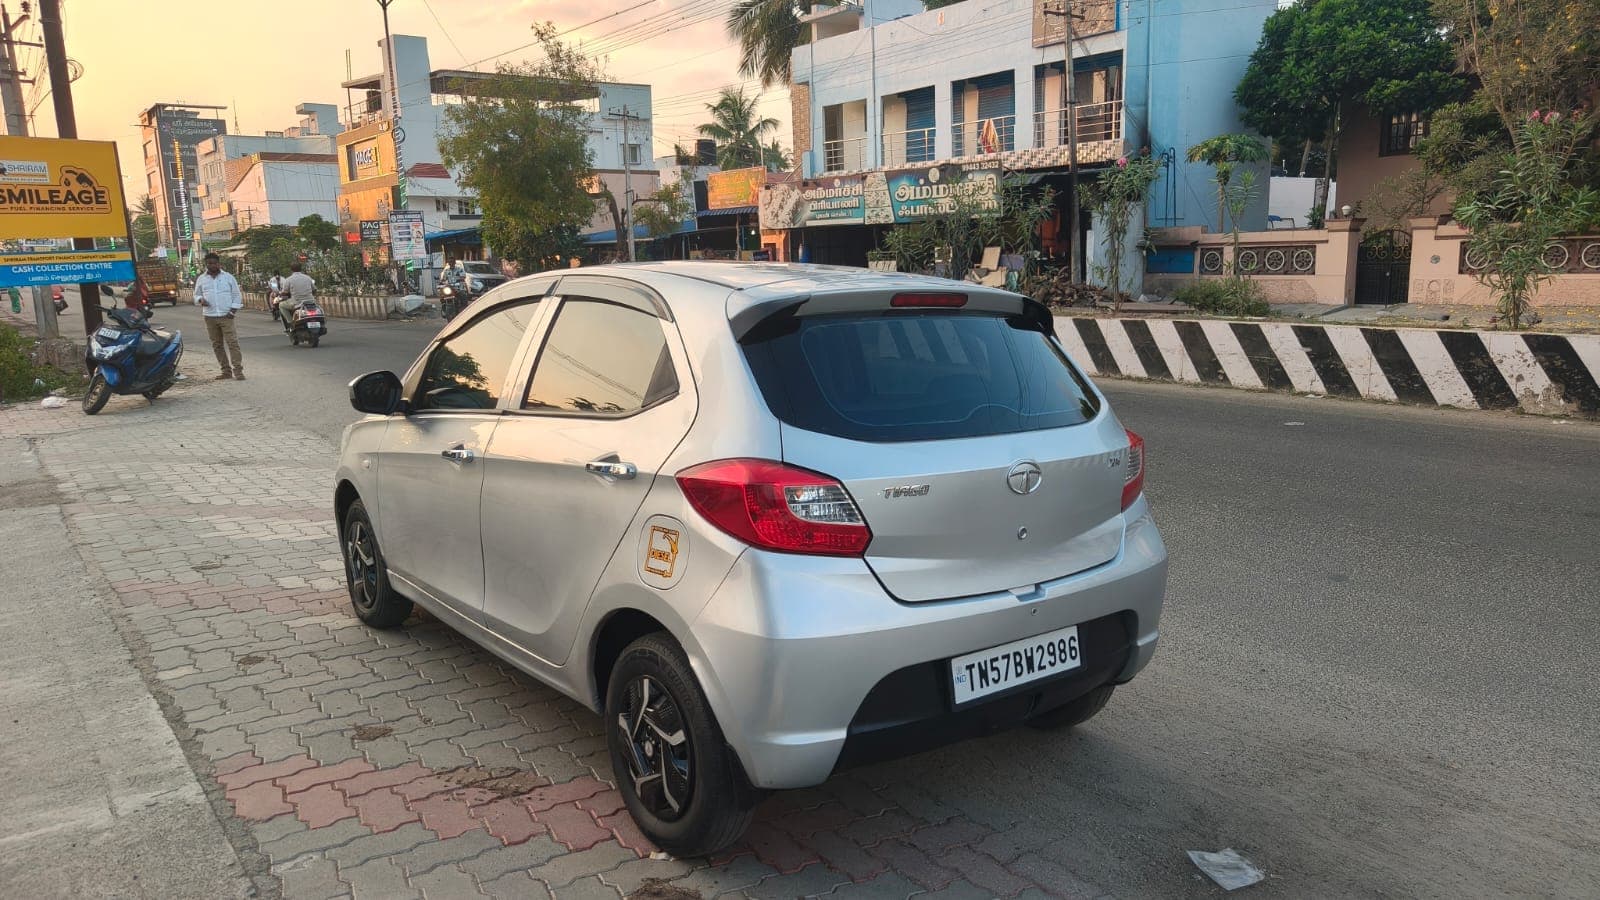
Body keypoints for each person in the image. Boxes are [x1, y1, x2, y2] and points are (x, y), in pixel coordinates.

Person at [193, 252, 245, 380]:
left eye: (214, 263)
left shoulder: (228, 277)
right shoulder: (202, 279)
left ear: (219, 264)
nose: (212, 265)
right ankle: (226, 371)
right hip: (209, 316)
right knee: (217, 345)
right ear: (206, 264)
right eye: (209, 263)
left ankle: (238, 370)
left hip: (226, 316)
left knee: (232, 343)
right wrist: (200, 300)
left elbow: (236, 295)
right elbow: (196, 295)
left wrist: (232, 311)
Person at [279, 261, 315, 331]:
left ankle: (291, 323)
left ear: (291, 269)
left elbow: (284, 292)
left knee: (281, 305)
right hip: (310, 301)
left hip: (297, 302)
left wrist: (281, 294)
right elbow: (314, 290)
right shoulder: (308, 277)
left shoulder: (288, 279)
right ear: (301, 268)